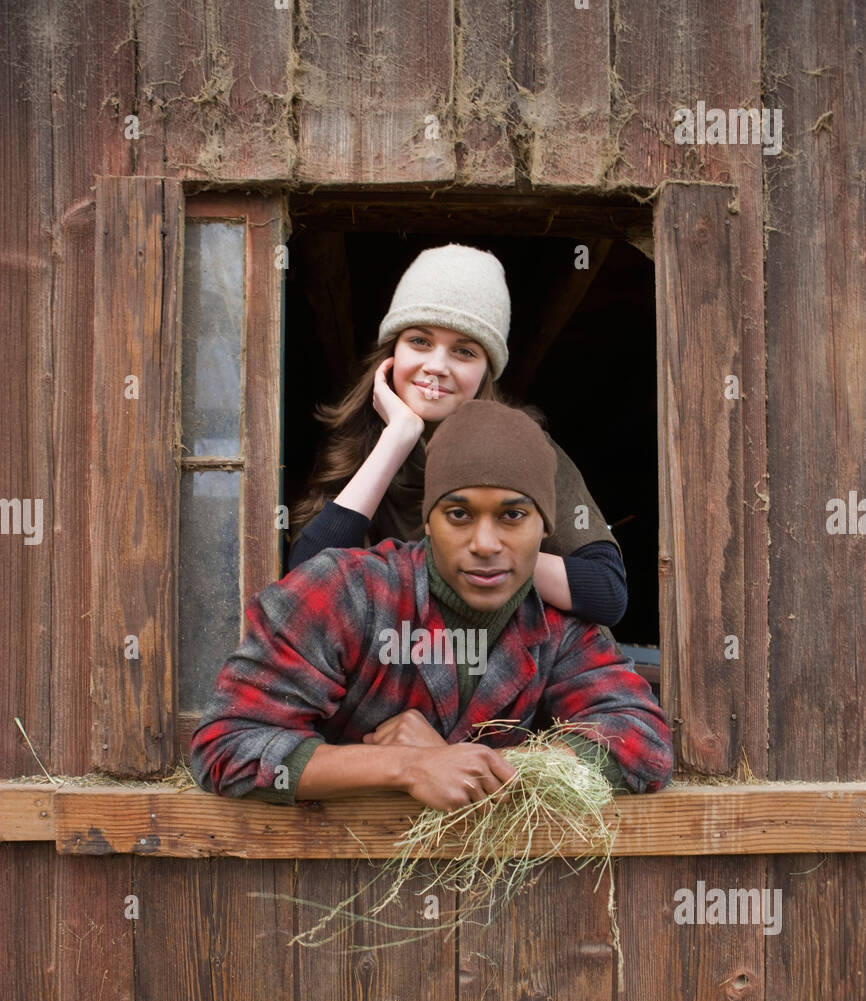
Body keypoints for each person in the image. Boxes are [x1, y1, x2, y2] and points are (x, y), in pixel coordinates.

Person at [190, 401, 672, 811]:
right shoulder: (345, 590)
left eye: (513, 515)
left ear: (545, 529)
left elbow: (642, 740)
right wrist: (405, 766)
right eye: (459, 514)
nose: (485, 543)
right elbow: (226, 746)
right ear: (427, 521)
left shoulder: (556, 626)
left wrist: (471, 765)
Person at [287, 242, 627, 627]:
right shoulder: (354, 447)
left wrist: (477, 557)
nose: (436, 366)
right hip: (387, 667)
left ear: (486, 371)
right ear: (391, 352)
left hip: (497, 669)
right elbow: (304, 587)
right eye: (420, 341)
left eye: (464, 351)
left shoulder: (525, 449)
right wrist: (396, 439)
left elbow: (607, 592)